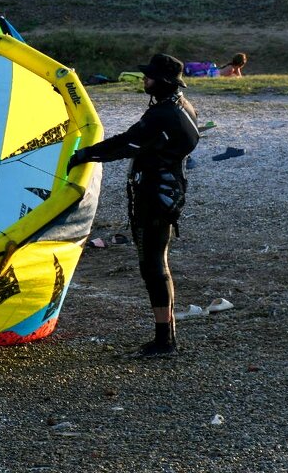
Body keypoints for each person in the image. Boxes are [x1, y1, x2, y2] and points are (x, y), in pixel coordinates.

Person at [67, 53, 200, 358]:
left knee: (153, 265)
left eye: (149, 76)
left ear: (163, 81)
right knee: (156, 263)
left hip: (156, 195)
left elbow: (126, 144)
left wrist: (84, 155)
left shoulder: (162, 114)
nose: (144, 79)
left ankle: (164, 342)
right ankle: (166, 338)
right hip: (169, 191)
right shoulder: (182, 105)